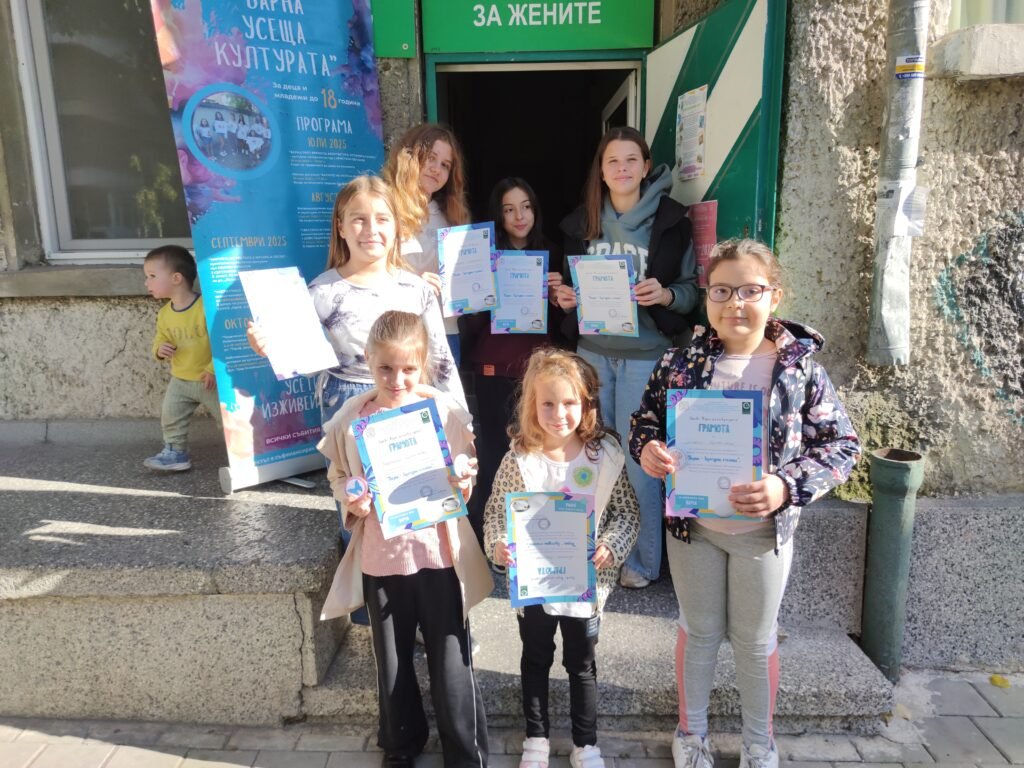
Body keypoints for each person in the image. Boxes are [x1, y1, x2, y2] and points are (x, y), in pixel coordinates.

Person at [629, 239, 861, 768]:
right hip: (695, 529)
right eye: (722, 291)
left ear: (774, 296)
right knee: (699, 631)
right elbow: (645, 420)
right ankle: (691, 734)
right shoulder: (680, 362)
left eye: (750, 291)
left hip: (762, 534)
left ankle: (759, 742)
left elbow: (842, 446)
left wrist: (785, 486)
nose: (735, 303)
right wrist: (648, 449)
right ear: (706, 297)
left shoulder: (799, 370)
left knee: (754, 641)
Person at [317, 310, 492, 768]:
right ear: (368, 360)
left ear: (425, 363)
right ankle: (400, 744)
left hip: (439, 554)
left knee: (450, 657)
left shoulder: (445, 413)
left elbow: (465, 475)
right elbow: (339, 477)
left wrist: (464, 479)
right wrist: (352, 498)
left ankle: (464, 751)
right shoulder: (352, 420)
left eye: (409, 369)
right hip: (382, 556)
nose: (397, 380)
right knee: (391, 661)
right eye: (386, 369)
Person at [556, 126, 699, 589]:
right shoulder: (580, 223)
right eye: (612, 161)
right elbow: (568, 290)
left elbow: (691, 291)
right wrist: (565, 299)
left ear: (645, 166)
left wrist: (666, 294)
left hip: (646, 358)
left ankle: (642, 562)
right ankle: (596, 549)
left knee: (640, 465)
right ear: (600, 170)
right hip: (592, 357)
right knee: (593, 459)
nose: (622, 169)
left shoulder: (672, 220)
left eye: (630, 160)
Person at [483, 348, 640, 768]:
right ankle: (536, 738)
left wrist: (612, 544)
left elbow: (626, 512)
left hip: (586, 588)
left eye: (570, 402)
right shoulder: (520, 459)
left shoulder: (604, 456)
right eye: (548, 403)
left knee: (581, 663)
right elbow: (496, 511)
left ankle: (585, 743)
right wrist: (498, 544)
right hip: (535, 585)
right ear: (531, 406)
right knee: (535, 658)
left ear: (585, 404)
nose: (559, 414)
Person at [247, 175, 465, 430]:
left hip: (408, 407)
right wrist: (271, 347)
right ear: (341, 227)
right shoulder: (321, 291)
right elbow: (308, 367)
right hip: (345, 414)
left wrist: (462, 422)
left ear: (397, 227)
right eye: (359, 219)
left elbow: (442, 364)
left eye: (382, 219)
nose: (371, 229)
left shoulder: (417, 291)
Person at [460, 177, 568, 543]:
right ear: (498, 215)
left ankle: (536, 538)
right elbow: (470, 319)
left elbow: (565, 326)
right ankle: (494, 539)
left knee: (537, 456)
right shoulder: (484, 257)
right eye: (509, 209)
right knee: (494, 454)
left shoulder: (553, 254)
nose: (519, 216)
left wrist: (557, 297)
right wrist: (485, 293)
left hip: (538, 373)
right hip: (493, 369)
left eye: (526, 207)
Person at [383, 123, 470, 363]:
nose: (436, 169)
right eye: (431, 158)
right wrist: (415, 285)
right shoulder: (384, 208)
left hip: (445, 331)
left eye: (445, 165)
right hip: (399, 331)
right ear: (410, 156)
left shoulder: (453, 216)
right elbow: (368, 272)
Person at [142, 244, 218, 472]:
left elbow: (222, 341)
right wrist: (160, 349)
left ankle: (246, 453)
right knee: (171, 416)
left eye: (152, 276)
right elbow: (161, 337)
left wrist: (213, 369)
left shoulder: (206, 307)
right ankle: (176, 453)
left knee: (228, 420)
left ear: (176, 278)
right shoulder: (165, 313)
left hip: (209, 381)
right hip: (180, 380)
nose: (146, 283)